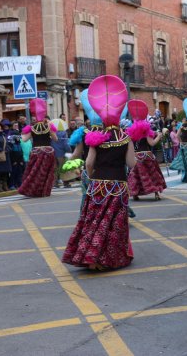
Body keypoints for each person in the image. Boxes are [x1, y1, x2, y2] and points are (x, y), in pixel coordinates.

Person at [63, 75, 136, 270]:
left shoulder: (96, 137)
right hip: (118, 185)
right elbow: (132, 163)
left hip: (97, 185)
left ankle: (91, 256)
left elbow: (88, 163)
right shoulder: (125, 137)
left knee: (94, 221)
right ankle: (105, 259)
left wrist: (92, 174)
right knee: (113, 224)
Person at [126, 99, 167, 201]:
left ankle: (135, 194)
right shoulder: (146, 129)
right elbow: (151, 143)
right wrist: (159, 136)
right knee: (152, 175)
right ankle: (156, 193)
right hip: (147, 155)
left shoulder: (131, 130)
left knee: (136, 176)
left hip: (136, 156)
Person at [19, 99, 58, 197]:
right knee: (47, 172)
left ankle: (33, 190)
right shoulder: (49, 127)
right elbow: (56, 139)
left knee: (35, 172)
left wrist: (22, 133)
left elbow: (24, 139)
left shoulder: (31, 128)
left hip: (36, 152)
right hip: (48, 152)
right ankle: (44, 190)